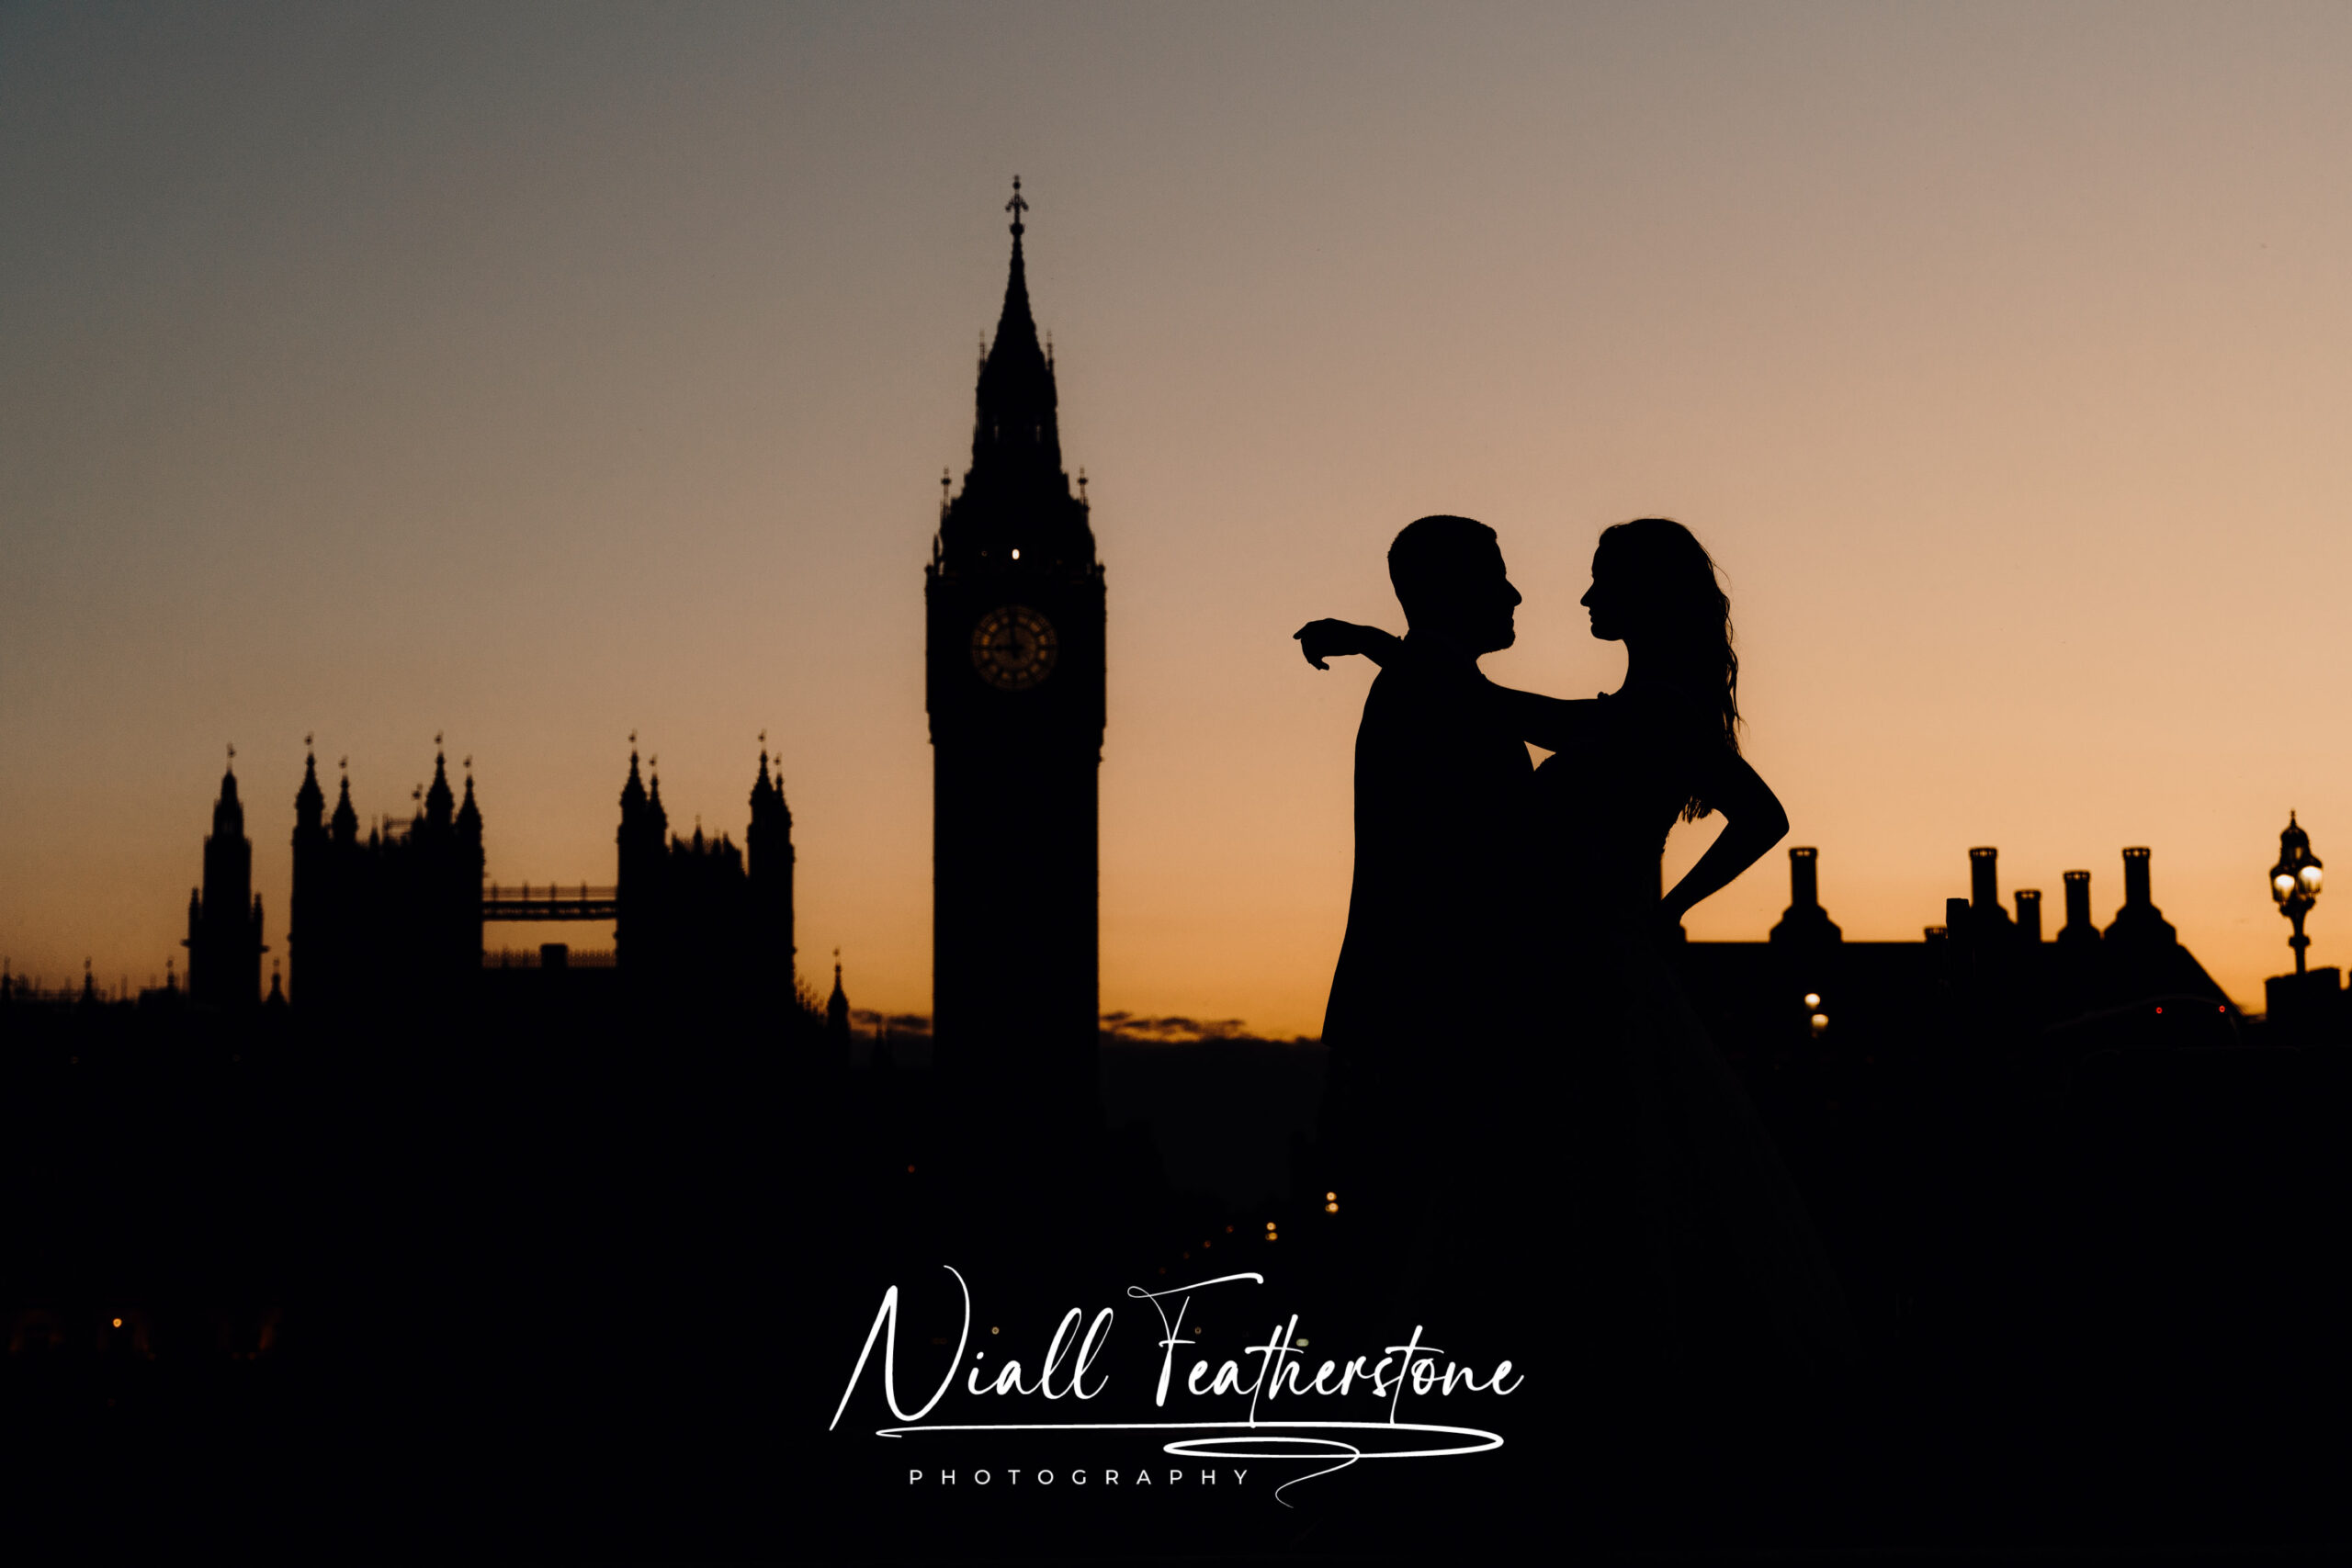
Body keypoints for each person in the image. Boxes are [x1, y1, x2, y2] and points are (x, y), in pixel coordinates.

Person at [1299, 517, 1858, 1421]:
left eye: (1602, 583)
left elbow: (1754, 815)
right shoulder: (1643, 713)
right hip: (1584, 975)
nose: (1582, 598)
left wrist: (1663, 911)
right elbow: (1748, 813)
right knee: (1616, 1184)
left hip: (1589, 981)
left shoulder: (1651, 714)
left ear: (1644, 599)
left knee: (1597, 1183)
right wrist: (1664, 913)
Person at [1299, 515, 1541, 1342]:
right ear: (1450, 591)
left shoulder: (1427, 682)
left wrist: (1373, 638)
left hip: (1407, 1010)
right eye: (1497, 576)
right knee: (1429, 1264)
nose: (1514, 593)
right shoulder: (1433, 691)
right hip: (1437, 1015)